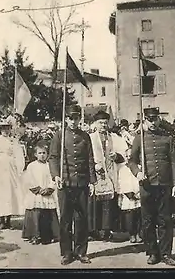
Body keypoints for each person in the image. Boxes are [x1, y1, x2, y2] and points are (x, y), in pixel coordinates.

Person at [128, 107, 175, 266]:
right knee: (148, 221)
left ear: (159, 120)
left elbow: (174, 162)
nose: (152, 123)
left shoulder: (167, 138)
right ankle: (153, 252)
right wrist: (137, 172)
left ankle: (166, 254)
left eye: (155, 119)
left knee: (165, 220)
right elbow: (132, 161)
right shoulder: (139, 138)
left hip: (164, 184)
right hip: (147, 185)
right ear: (145, 120)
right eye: (149, 120)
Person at [49, 104, 96, 265]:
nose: (74, 121)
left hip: (82, 183)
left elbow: (90, 159)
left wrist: (92, 182)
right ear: (66, 119)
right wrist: (55, 176)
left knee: (82, 219)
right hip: (65, 183)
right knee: (66, 219)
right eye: (71, 118)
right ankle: (67, 253)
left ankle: (81, 251)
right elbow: (53, 157)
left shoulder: (85, 136)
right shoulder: (59, 136)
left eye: (76, 118)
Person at [88, 110, 127, 241]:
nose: (103, 126)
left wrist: (116, 156)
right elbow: (85, 156)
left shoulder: (114, 137)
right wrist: (94, 165)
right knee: (94, 203)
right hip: (95, 174)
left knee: (108, 204)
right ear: (95, 124)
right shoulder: (90, 138)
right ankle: (93, 230)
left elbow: (124, 155)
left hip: (111, 174)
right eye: (100, 123)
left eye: (105, 123)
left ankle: (106, 230)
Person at [0, 118, 25, 229]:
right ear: (0, 130)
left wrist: (19, 168)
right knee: (1, 194)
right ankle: (2, 220)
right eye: (3, 129)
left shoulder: (14, 141)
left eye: (7, 129)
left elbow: (19, 155)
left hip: (11, 169)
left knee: (10, 193)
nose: (5, 131)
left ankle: (8, 219)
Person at [22, 142, 60, 245]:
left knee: (49, 213)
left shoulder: (50, 166)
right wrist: (38, 190)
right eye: (39, 153)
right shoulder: (31, 166)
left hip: (47, 192)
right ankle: (35, 235)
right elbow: (29, 180)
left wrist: (49, 188)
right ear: (35, 154)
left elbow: (53, 178)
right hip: (36, 194)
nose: (42, 155)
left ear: (47, 154)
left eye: (44, 153)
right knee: (36, 212)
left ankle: (50, 235)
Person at [115, 153, 142, 243]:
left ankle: (138, 233)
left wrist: (138, 193)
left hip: (138, 195)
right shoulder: (122, 169)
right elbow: (122, 182)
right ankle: (132, 234)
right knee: (130, 216)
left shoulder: (139, 167)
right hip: (128, 195)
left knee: (138, 215)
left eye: (130, 156)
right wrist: (129, 194)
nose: (128, 158)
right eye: (126, 156)